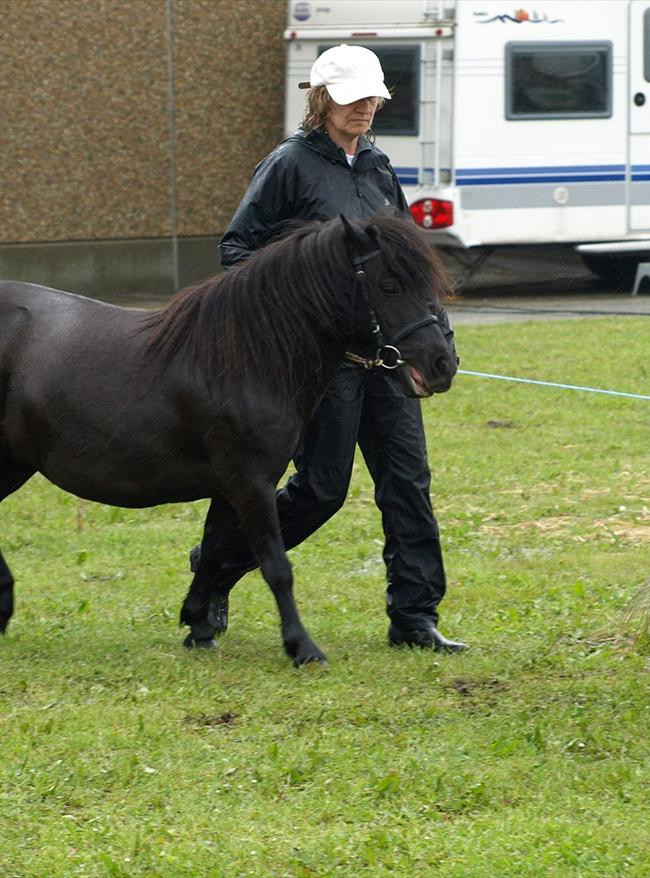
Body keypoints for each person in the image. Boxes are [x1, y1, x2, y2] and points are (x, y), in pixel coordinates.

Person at [191, 44, 467, 652]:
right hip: (327, 366)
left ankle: (415, 618)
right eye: (352, 98)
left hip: (390, 358)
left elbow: (408, 267)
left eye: (372, 98)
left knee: (407, 484)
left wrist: (436, 341)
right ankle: (216, 567)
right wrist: (302, 287)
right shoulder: (287, 165)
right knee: (321, 490)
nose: (364, 109)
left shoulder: (378, 168)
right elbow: (237, 252)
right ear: (321, 100)